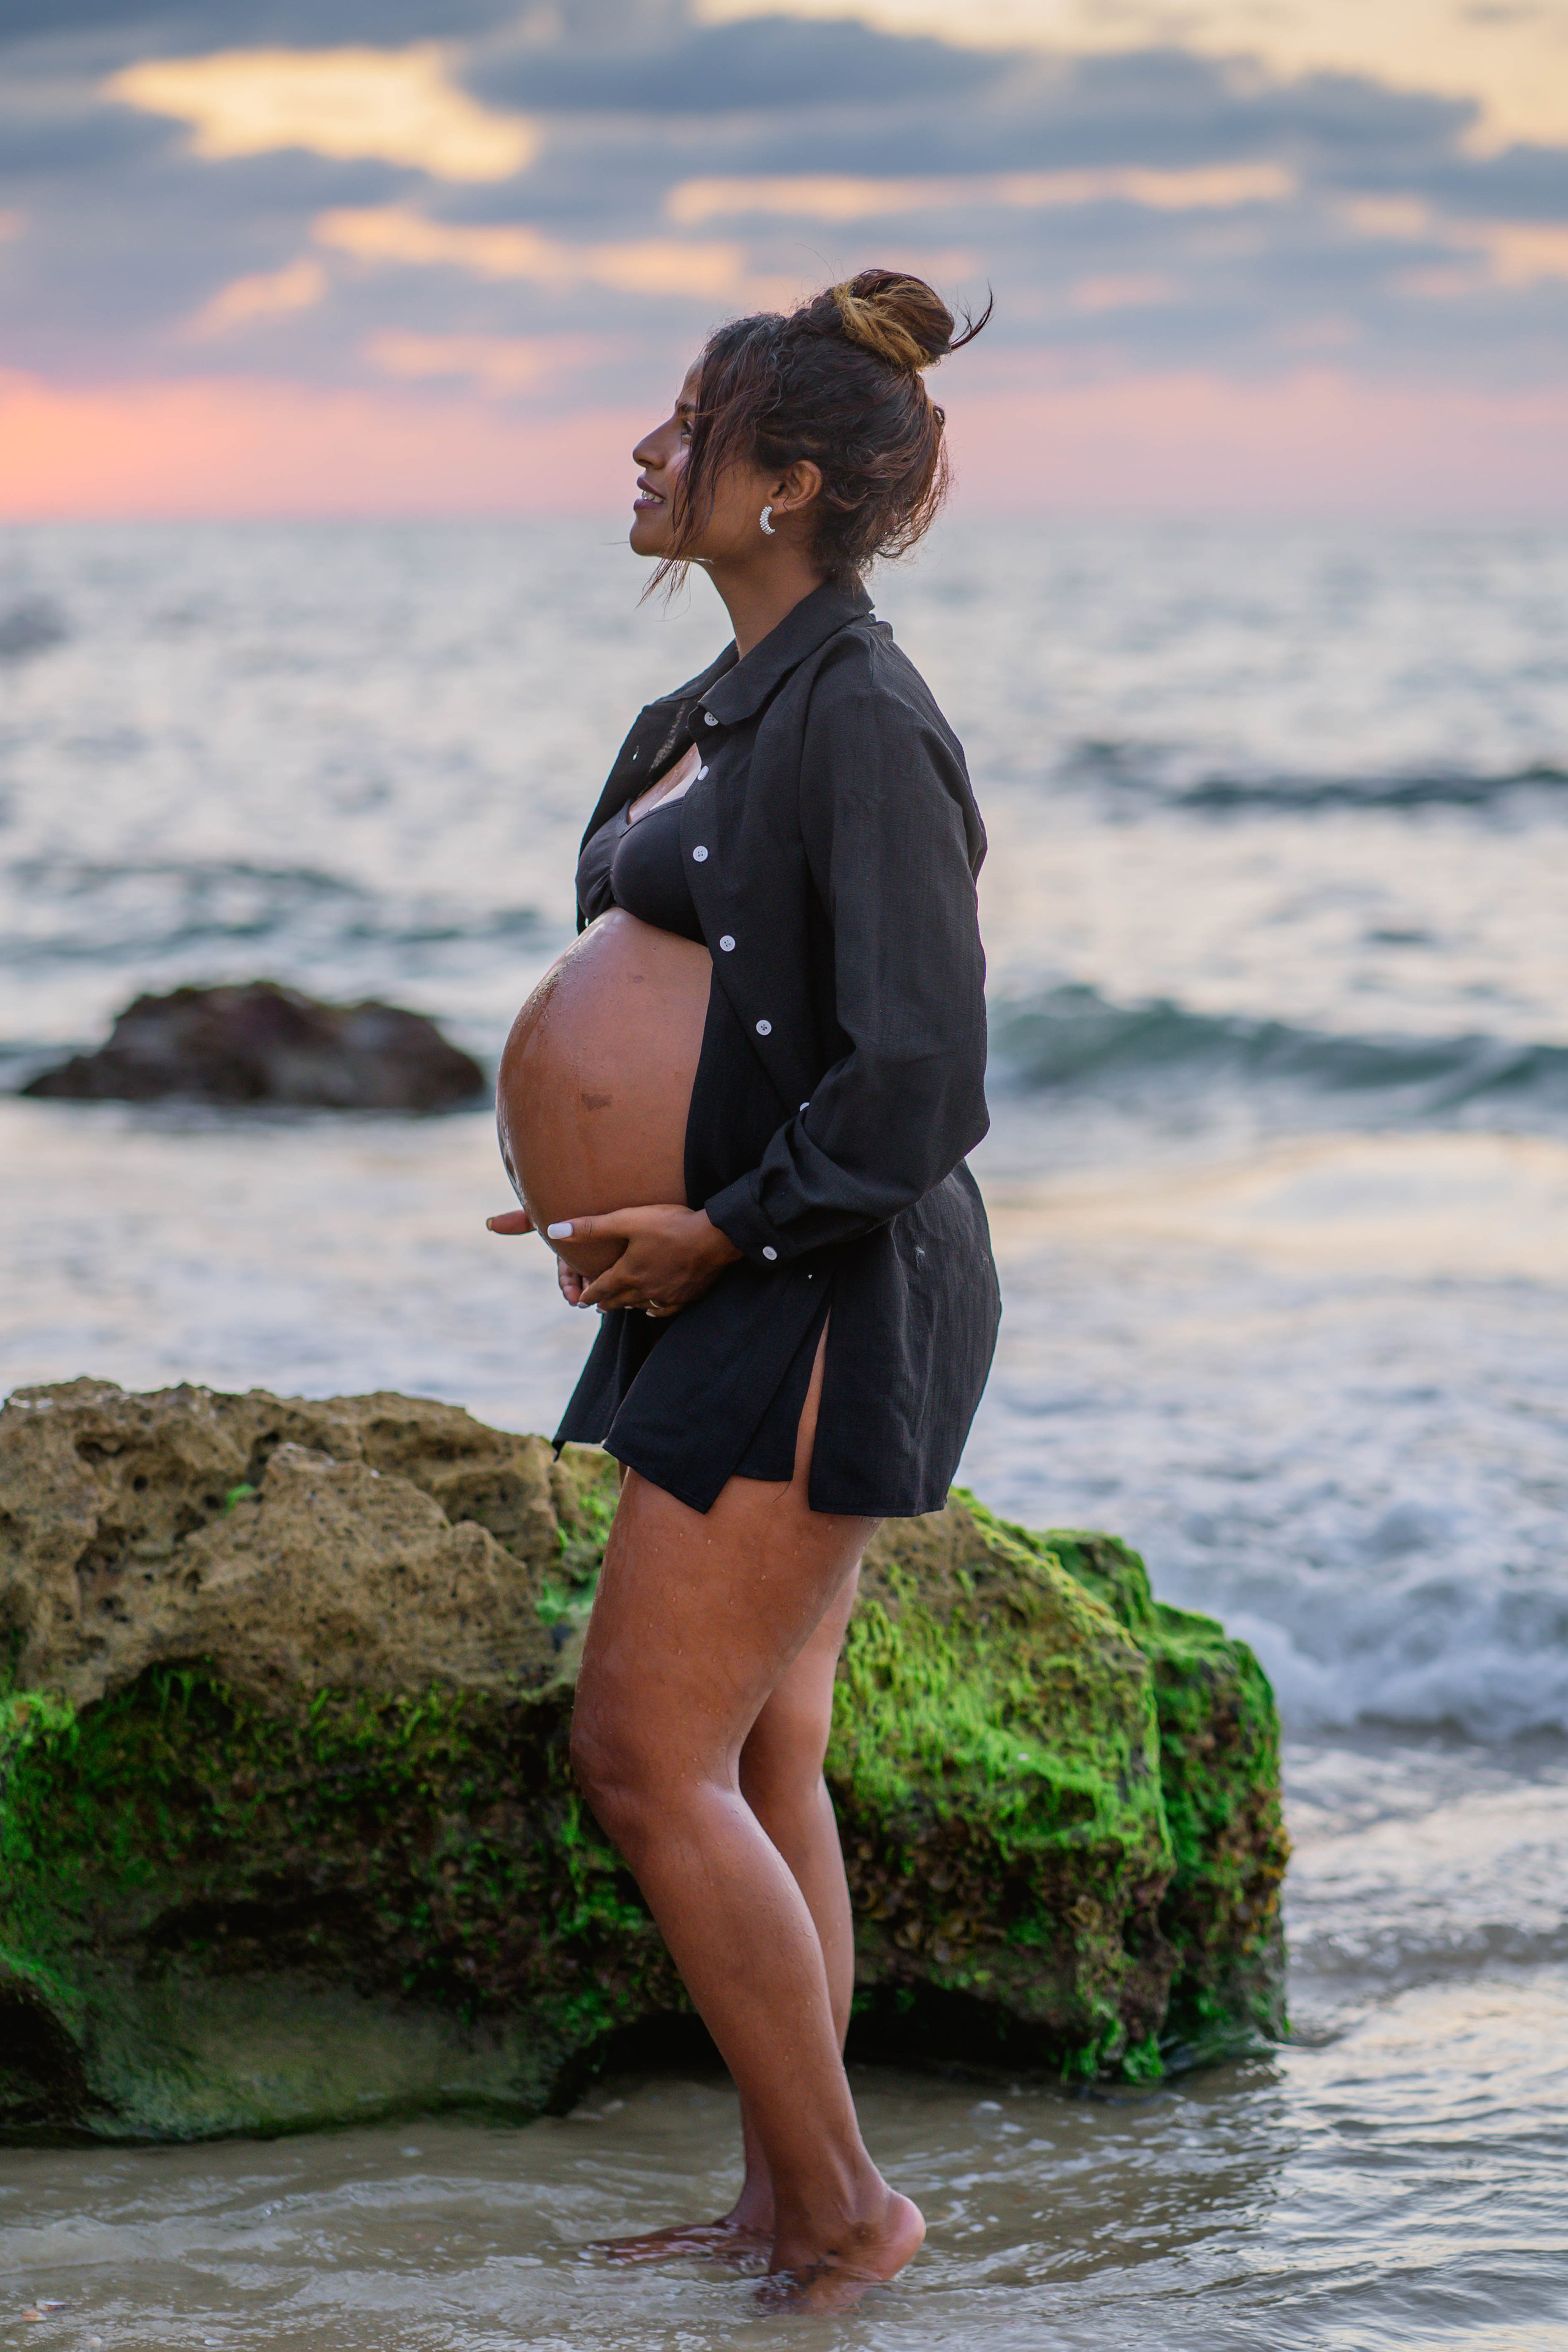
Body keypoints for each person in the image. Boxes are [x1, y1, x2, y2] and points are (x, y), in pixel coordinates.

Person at [488, 268, 1000, 2310]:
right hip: (728, 1276)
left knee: (642, 1751)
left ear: (787, 487)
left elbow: (922, 1075)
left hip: (827, 1280)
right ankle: (786, 2203)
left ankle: (850, 2214)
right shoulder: (704, 713)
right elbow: (684, 1001)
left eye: (682, 428)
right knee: (764, 1752)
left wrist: (718, 1222)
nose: (641, 451)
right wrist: (572, 1161)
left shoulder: (864, 717)